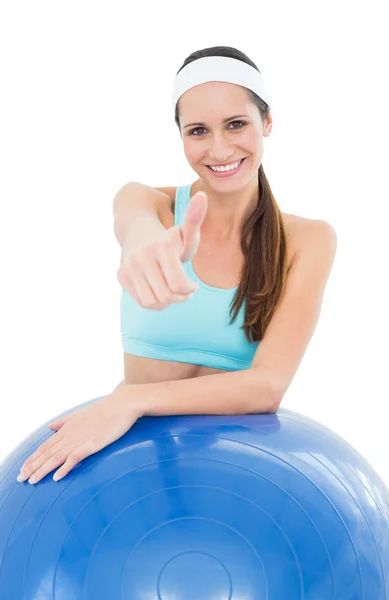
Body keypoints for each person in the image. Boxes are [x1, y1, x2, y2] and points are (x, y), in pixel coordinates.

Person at [17, 45, 337, 485]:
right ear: (181, 136)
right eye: (198, 130)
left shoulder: (309, 239)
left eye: (237, 124)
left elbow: (267, 386)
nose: (219, 147)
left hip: (236, 473)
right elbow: (136, 224)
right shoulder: (148, 202)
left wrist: (133, 400)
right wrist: (144, 243)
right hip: (133, 463)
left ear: (267, 122)